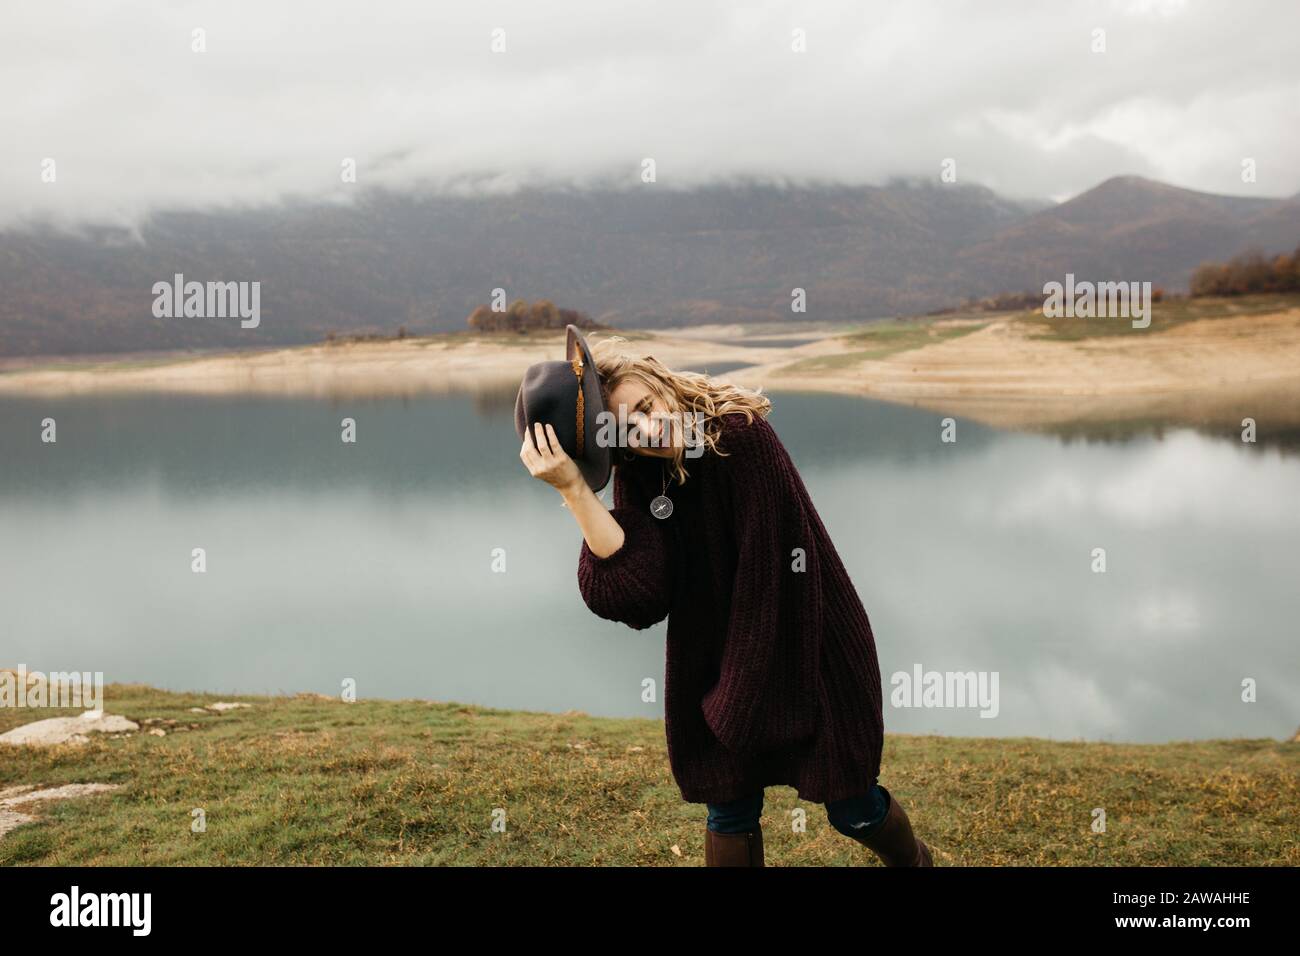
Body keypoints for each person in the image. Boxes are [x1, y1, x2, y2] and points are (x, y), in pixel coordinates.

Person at [516, 326, 933, 866]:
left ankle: (917, 862)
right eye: (628, 429)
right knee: (728, 811)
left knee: (852, 806)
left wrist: (736, 698)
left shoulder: (741, 435)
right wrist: (575, 491)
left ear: (660, 380)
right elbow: (640, 595)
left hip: (809, 642)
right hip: (717, 662)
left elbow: (774, 579)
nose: (650, 427)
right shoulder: (643, 470)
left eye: (647, 405)